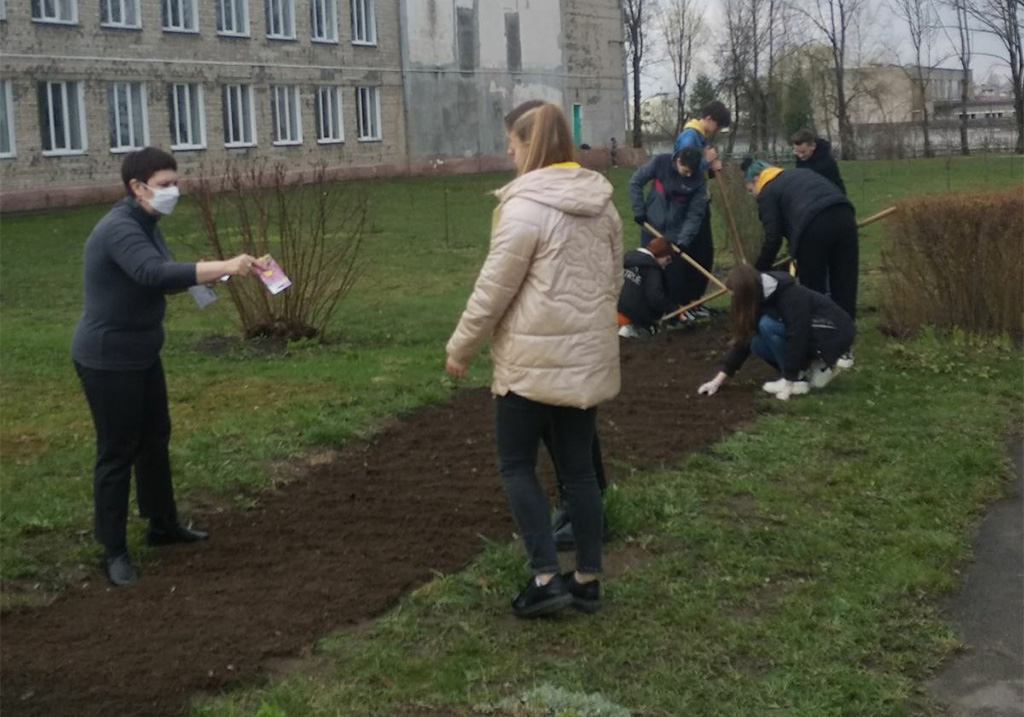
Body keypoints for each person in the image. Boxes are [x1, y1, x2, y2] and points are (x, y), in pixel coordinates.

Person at [445, 101, 622, 617]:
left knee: (517, 465)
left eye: (512, 143)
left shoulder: (525, 207)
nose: (508, 152)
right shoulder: (603, 205)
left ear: (532, 145)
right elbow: (611, 284)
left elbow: (493, 290)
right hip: (585, 362)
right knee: (580, 473)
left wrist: (461, 348)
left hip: (529, 366)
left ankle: (545, 576)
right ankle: (587, 578)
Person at [71, 147, 262, 587]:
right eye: (164, 185)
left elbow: (165, 276)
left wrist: (223, 273)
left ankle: (162, 524)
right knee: (117, 449)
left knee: (154, 438)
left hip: (141, 353)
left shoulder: (147, 222)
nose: (173, 191)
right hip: (107, 358)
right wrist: (223, 264)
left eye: (176, 183)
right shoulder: (120, 228)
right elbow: (153, 274)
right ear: (137, 187)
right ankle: (113, 549)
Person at [697, 264, 855, 401]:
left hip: (832, 333)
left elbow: (798, 333)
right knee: (756, 342)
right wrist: (717, 380)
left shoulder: (790, 295)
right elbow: (744, 339)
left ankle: (805, 373)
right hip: (812, 334)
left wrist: (790, 380)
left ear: (746, 294)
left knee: (766, 325)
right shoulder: (759, 296)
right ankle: (808, 370)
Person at [742, 157, 859, 340]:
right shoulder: (799, 174)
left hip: (813, 225)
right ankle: (845, 340)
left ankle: (820, 341)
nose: (754, 195)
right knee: (844, 281)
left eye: (751, 190)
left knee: (813, 288)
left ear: (757, 179)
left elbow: (773, 238)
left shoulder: (767, 191)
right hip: (844, 214)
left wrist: (756, 273)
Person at [628, 147, 707, 316]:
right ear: (678, 161)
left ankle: (673, 315)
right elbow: (635, 182)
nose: (688, 175)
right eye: (686, 171)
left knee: (674, 276)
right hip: (651, 227)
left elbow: (695, 214)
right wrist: (639, 211)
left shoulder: (698, 180)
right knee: (648, 272)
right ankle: (645, 314)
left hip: (675, 234)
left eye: (691, 173)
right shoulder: (660, 162)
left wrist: (683, 240)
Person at [672, 101, 732, 314]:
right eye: (718, 125)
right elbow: (685, 170)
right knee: (695, 255)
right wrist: (707, 163)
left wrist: (713, 167)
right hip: (688, 206)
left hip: (699, 201)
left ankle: (696, 300)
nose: (716, 130)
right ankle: (687, 303)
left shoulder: (700, 138)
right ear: (709, 119)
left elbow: (699, 170)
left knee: (705, 254)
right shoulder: (690, 137)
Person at [617, 235, 675, 337]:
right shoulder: (652, 269)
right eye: (667, 259)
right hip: (631, 318)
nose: (665, 264)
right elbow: (655, 297)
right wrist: (671, 308)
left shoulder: (628, 260)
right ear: (662, 255)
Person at [791, 129, 847, 195]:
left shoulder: (825, 163)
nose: (800, 156)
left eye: (803, 152)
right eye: (797, 151)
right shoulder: (803, 158)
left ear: (813, 146)